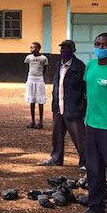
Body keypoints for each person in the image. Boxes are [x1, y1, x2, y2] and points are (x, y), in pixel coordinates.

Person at [75, 33, 107, 213]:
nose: (100, 47)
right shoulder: (90, 66)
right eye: (97, 44)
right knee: (94, 169)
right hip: (91, 126)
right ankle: (96, 207)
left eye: (105, 44)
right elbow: (88, 92)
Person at [41, 40, 86, 168]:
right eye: (62, 49)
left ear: (73, 50)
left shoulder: (79, 66)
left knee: (79, 137)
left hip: (73, 108)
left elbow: (85, 87)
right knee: (57, 135)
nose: (63, 51)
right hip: (58, 107)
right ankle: (56, 159)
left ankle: (85, 162)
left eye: (67, 49)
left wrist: (82, 106)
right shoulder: (58, 65)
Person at [24, 42, 49, 129]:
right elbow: (27, 68)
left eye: (33, 48)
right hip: (31, 79)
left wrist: (40, 76)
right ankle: (33, 121)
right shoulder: (28, 58)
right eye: (30, 47)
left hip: (39, 79)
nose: (31, 49)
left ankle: (41, 122)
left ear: (38, 49)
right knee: (32, 100)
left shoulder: (43, 58)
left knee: (40, 100)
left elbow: (45, 69)